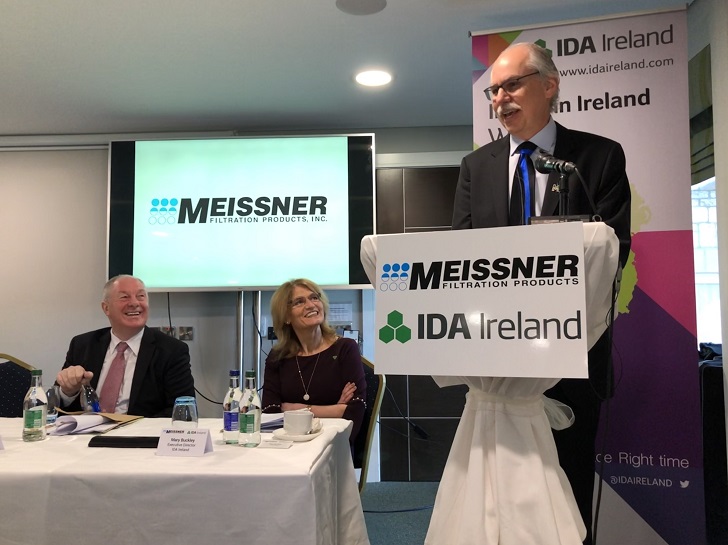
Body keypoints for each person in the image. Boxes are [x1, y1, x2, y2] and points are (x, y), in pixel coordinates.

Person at [450, 42, 631, 545]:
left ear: (549, 86)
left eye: (512, 85)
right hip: (495, 364)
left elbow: (614, 251)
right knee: (497, 495)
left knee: (565, 490)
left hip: (569, 360)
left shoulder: (596, 157)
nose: (499, 99)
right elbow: (460, 260)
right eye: (493, 90)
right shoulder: (476, 166)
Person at [56, 275, 195, 417]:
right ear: (106, 308)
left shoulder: (171, 350)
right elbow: (55, 406)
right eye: (124, 297)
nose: (135, 303)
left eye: (141, 296)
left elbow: (183, 410)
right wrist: (68, 391)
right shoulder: (83, 345)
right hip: (86, 436)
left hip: (138, 436)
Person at [262, 278, 366, 444]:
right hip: (287, 445)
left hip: (331, 446)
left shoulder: (345, 348)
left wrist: (296, 409)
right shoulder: (277, 358)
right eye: (299, 302)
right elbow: (269, 413)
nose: (311, 305)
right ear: (286, 316)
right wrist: (335, 409)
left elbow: (355, 410)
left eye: (314, 298)